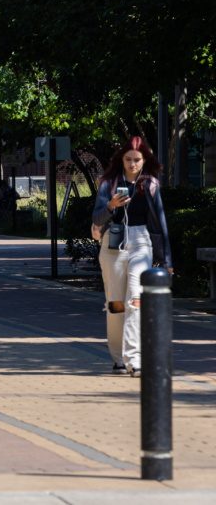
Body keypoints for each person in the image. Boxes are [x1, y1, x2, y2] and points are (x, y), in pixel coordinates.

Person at [91, 136, 173, 376]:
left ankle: (134, 359)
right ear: (121, 159)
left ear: (144, 159)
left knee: (136, 300)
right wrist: (111, 206)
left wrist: (166, 260)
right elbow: (96, 219)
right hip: (113, 244)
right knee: (116, 305)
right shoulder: (109, 183)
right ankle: (117, 357)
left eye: (137, 160)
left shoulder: (150, 184)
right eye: (128, 159)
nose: (132, 164)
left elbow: (160, 222)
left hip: (141, 242)